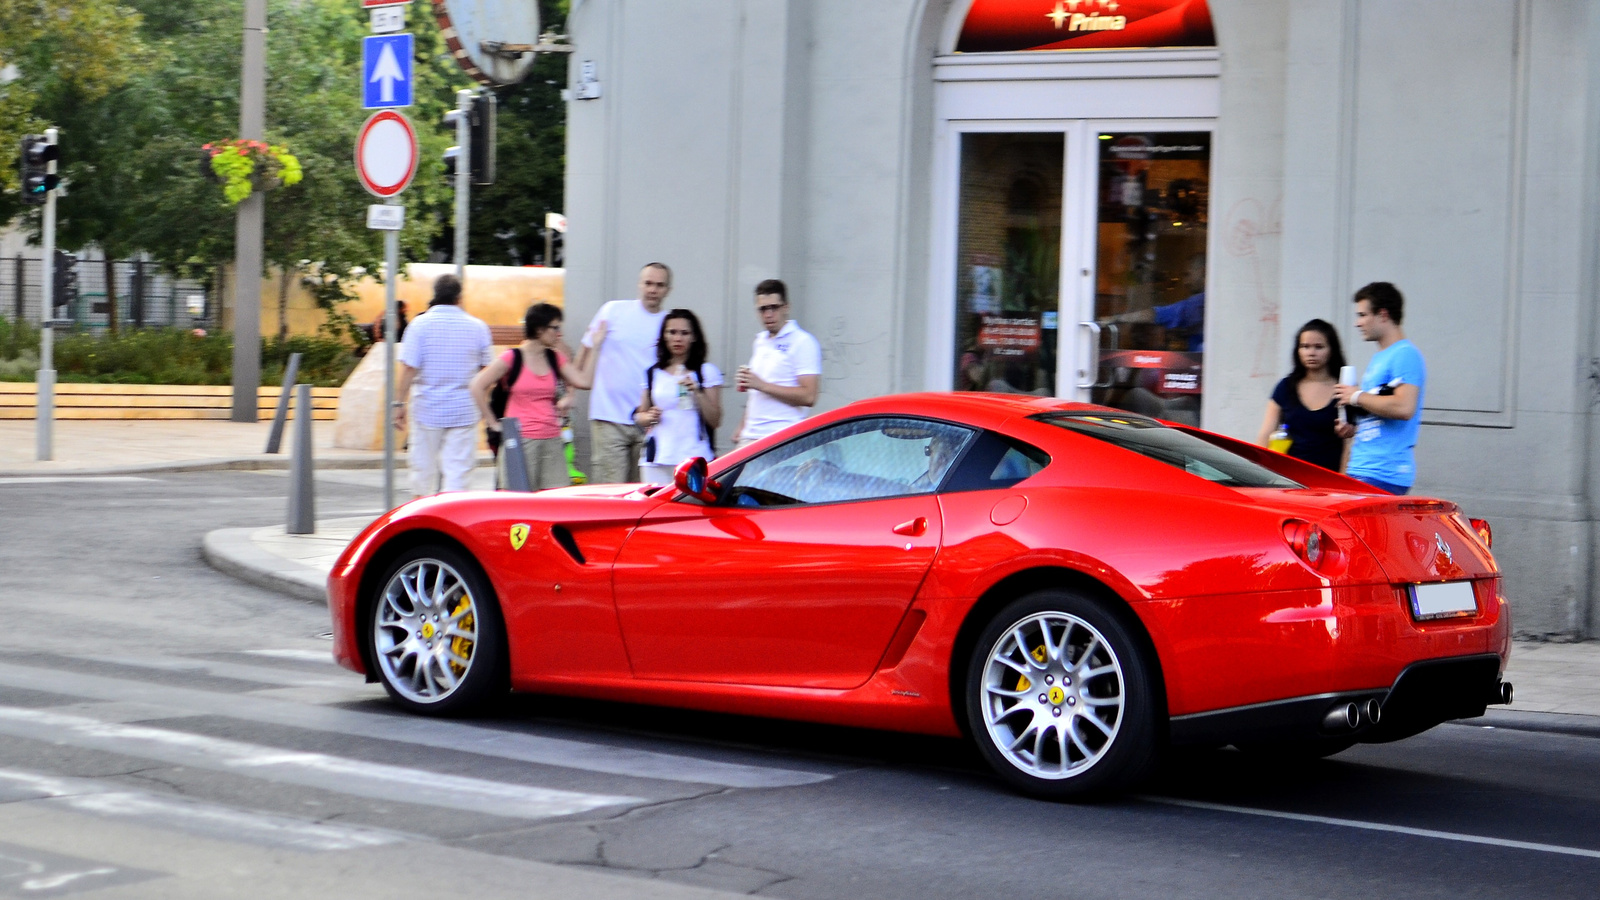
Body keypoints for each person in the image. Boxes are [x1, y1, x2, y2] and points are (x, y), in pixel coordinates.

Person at [470, 303, 607, 490]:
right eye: (555, 328)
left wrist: (596, 347)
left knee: (554, 499)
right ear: (539, 329)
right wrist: (493, 423)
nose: (559, 333)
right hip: (522, 441)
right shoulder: (513, 357)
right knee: (518, 499)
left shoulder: (554, 357)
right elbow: (476, 385)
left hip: (551, 440)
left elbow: (584, 381)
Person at [393, 274, 492, 496]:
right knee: (458, 472)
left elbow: (409, 368)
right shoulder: (477, 327)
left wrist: (398, 404)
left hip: (427, 407)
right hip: (464, 409)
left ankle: (420, 515)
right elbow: (487, 371)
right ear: (459, 297)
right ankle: (449, 516)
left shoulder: (419, 325)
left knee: (422, 467)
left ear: (435, 295)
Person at [576, 263, 672, 483]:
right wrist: (572, 390)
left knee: (644, 490)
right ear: (639, 284)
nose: (653, 289)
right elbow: (586, 348)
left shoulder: (670, 324)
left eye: (659, 285)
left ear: (667, 289)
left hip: (648, 421)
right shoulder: (613, 310)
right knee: (610, 491)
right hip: (609, 417)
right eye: (648, 283)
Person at [1333, 282, 1427, 494]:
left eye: (1363, 315)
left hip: (1383, 472)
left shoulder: (1405, 354)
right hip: (1363, 469)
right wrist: (1352, 427)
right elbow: (1378, 414)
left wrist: (1356, 396)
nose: (1358, 323)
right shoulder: (1381, 358)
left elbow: (1404, 407)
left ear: (1383, 315)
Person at [633, 309, 723, 484]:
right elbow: (640, 415)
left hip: (693, 458)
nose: (678, 338)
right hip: (657, 458)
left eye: (684, 333)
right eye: (672, 332)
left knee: (692, 509)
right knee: (654, 509)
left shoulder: (706, 372)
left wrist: (697, 392)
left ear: (694, 337)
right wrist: (648, 416)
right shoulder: (653, 373)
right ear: (664, 336)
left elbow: (715, 420)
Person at [732, 279, 822, 448]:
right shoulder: (760, 340)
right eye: (763, 309)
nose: (768, 314)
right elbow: (757, 392)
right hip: (750, 436)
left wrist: (762, 385)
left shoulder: (802, 342)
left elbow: (809, 396)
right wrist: (742, 425)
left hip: (781, 437)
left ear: (786, 307)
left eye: (774, 307)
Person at [1255, 319, 1350, 472]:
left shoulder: (1344, 389)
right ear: (1298, 350)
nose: (1311, 352)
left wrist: (1345, 479)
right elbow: (1265, 434)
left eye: (1319, 347)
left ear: (1332, 350)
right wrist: (1257, 472)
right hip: (1289, 478)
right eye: (1305, 346)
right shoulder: (1285, 387)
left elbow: (1349, 443)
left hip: (1331, 479)